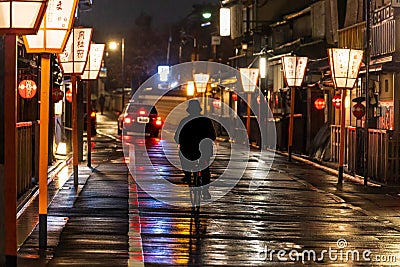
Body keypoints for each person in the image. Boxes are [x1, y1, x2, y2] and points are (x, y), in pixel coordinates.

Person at [174, 99, 216, 200]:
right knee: (205, 168)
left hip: (189, 150)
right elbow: (213, 136)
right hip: (204, 150)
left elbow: (177, 137)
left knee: (183, 157)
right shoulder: (206, 121)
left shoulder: (184, 121)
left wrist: (182, 141)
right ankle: (205, 191)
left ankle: (187, 175)